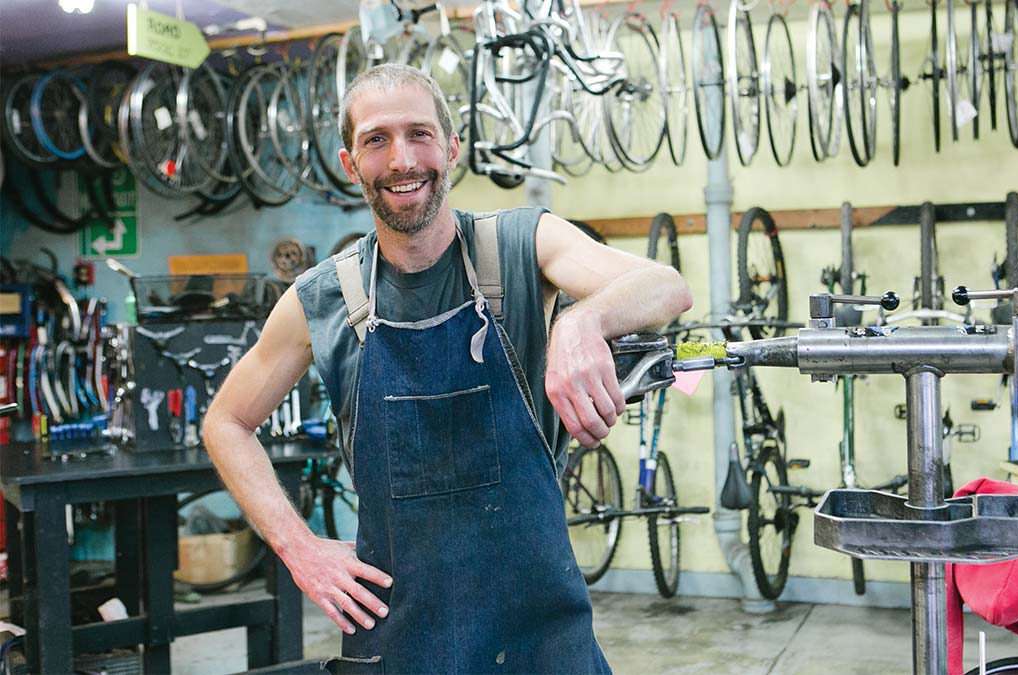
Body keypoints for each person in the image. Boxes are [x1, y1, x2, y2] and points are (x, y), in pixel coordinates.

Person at [202, 63, 691, 673]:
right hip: (402, 641)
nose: (403, 159)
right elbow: (225, 422)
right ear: (350, 164)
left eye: (420, 134)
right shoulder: (324, 298)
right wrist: (297, 547)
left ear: (451, 147)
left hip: (544, 639)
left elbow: (664, 285)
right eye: (376, 140)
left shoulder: (520, 246)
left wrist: (581, 322)